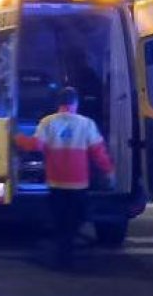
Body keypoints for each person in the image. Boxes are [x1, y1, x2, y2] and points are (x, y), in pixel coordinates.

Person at [14, 86, 116, 268]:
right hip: (79, 185)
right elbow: (98, 152)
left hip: (57, 184)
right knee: (75, 220)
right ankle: (67, 254)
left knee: (60, 223)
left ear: (58, 103)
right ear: (75, 103)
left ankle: (61, 257)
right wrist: (109, 172)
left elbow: (35, 146)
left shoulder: (48, 122)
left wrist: (17, 137)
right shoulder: (86, 123)